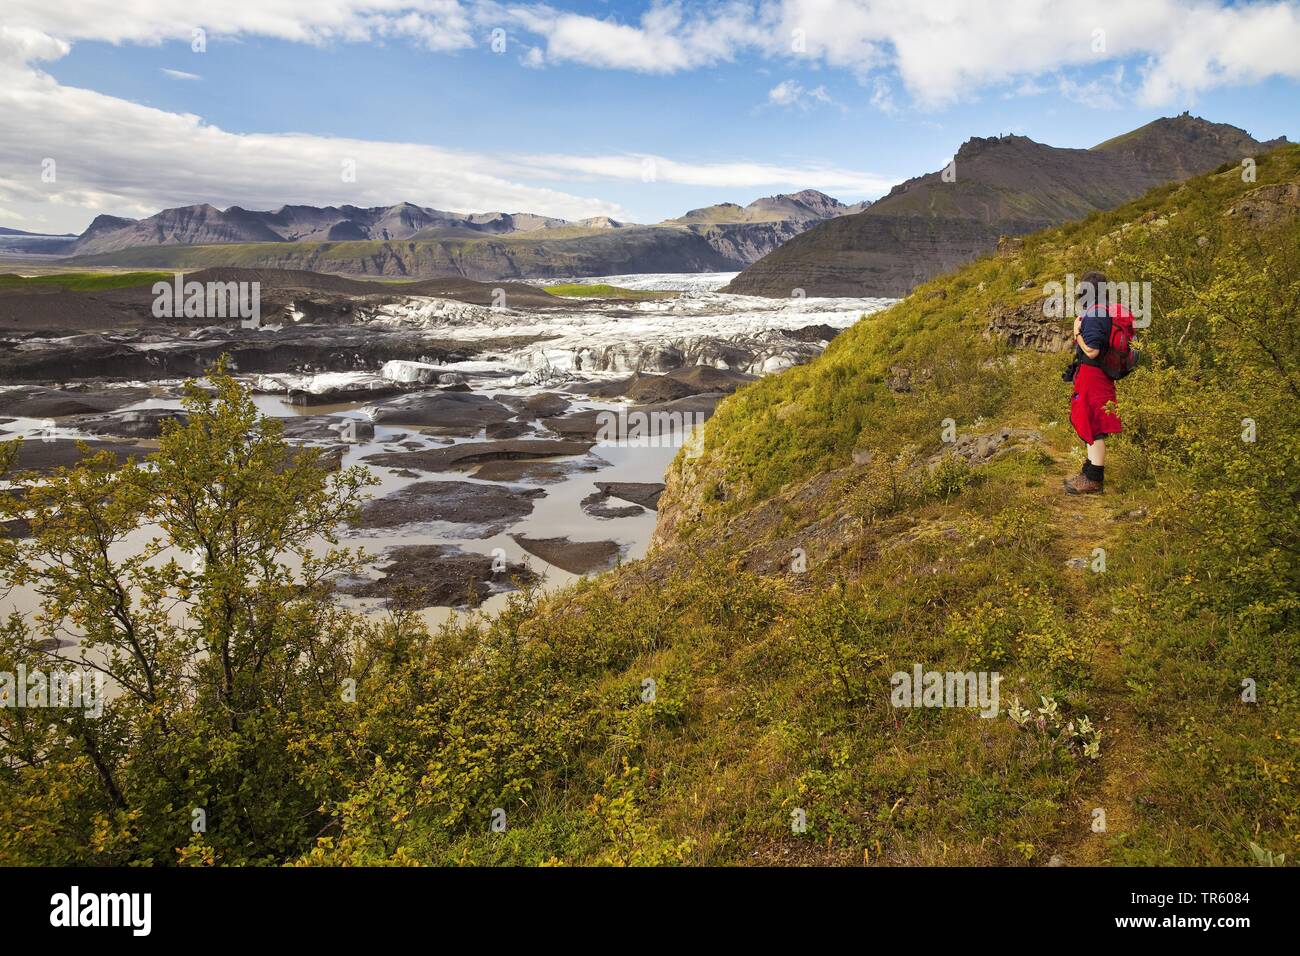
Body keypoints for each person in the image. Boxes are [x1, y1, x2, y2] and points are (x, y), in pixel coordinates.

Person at [1064, 271, 1126, 495]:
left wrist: (1077, 333)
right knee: (1090, 421)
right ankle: (1089, 473)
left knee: (1094, 424)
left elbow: (1092, 351)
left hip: (1094, 376)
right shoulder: (1102, 311)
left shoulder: (1095, 314)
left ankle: (1094, 480)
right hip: (1095, 375)